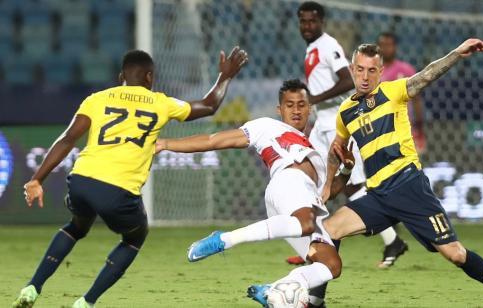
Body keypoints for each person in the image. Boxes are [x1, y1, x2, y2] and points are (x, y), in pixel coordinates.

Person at [13, 47, 248, 308]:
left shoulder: (97, 98)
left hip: (81, 180)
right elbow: (208, 105)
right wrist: (224, 76)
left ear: (120, 76)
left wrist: (37, 180)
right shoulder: (161, 102)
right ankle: (86, 302)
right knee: (135, 236)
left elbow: (68, 139)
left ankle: (32, 287)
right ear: (149, 77)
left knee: (76, 227)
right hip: (118, 190)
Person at [321, 39, 483, 308]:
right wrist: (327, 185)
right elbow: (337, 149)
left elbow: (427, 75)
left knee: (456, 254)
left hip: (409, 187)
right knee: (329, 231)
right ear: (352, 69)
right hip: (378, 194)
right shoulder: (345, 112)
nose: (365, 76)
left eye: (371, 70)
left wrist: (456, 53)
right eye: (359, 69)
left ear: (381, 73)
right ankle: (314, 302)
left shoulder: (394, 92)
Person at [156, 79, 355, 307]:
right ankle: (224, 239)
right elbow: (214, 140)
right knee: (305, 224)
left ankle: (275, 291)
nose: (296, 110)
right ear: (279, 110)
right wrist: (165, 143)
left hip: (301, 203)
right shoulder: (266, 127)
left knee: (331, 265)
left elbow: (326, 194)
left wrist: (347, 169)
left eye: (301, 104)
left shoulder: (314, 150)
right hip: (287, 183)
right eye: (289, 105)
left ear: (310, 108)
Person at [293, 0, 407, 273]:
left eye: (312, 21)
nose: (307, 25)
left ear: (321, 21)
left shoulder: (328, 45)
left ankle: (392, 239)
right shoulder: (312, 49)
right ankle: (313, 246)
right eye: (303, 21)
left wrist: (315, 99)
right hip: (322, 121)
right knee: (322, 182)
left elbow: (347, 80)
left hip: (337, 122)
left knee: (353, 185)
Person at [377, 31, 426, 153]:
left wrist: (419, 127)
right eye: (382, 45)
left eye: (389, 45)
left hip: (404, 128)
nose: (385, 48)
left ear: (395, 47)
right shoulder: (372, 71)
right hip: (379, 129)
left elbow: (416, 100)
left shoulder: (406, 70)